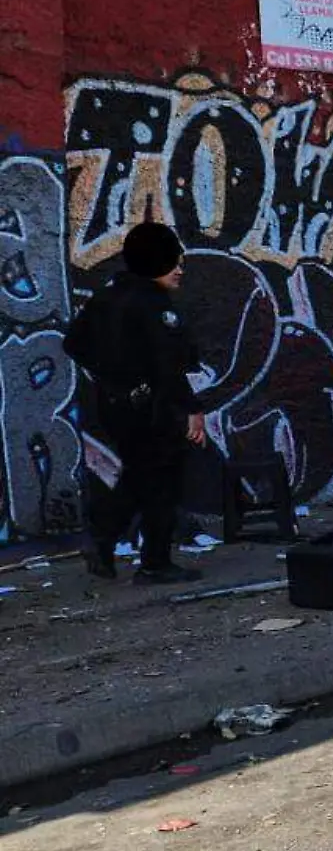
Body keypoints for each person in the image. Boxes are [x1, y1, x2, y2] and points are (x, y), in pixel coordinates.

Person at [64, 223, 209, 584]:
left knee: (139, 475)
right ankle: (154, 563)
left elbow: (74, 345)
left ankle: (103, 541)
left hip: (115, 406)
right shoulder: (157, 307)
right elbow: (169, 366)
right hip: (152, 407)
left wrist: (112, 377)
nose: (179, 269)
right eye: (171, 262)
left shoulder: (106, 298)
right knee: (162, 482)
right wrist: (192, 409)